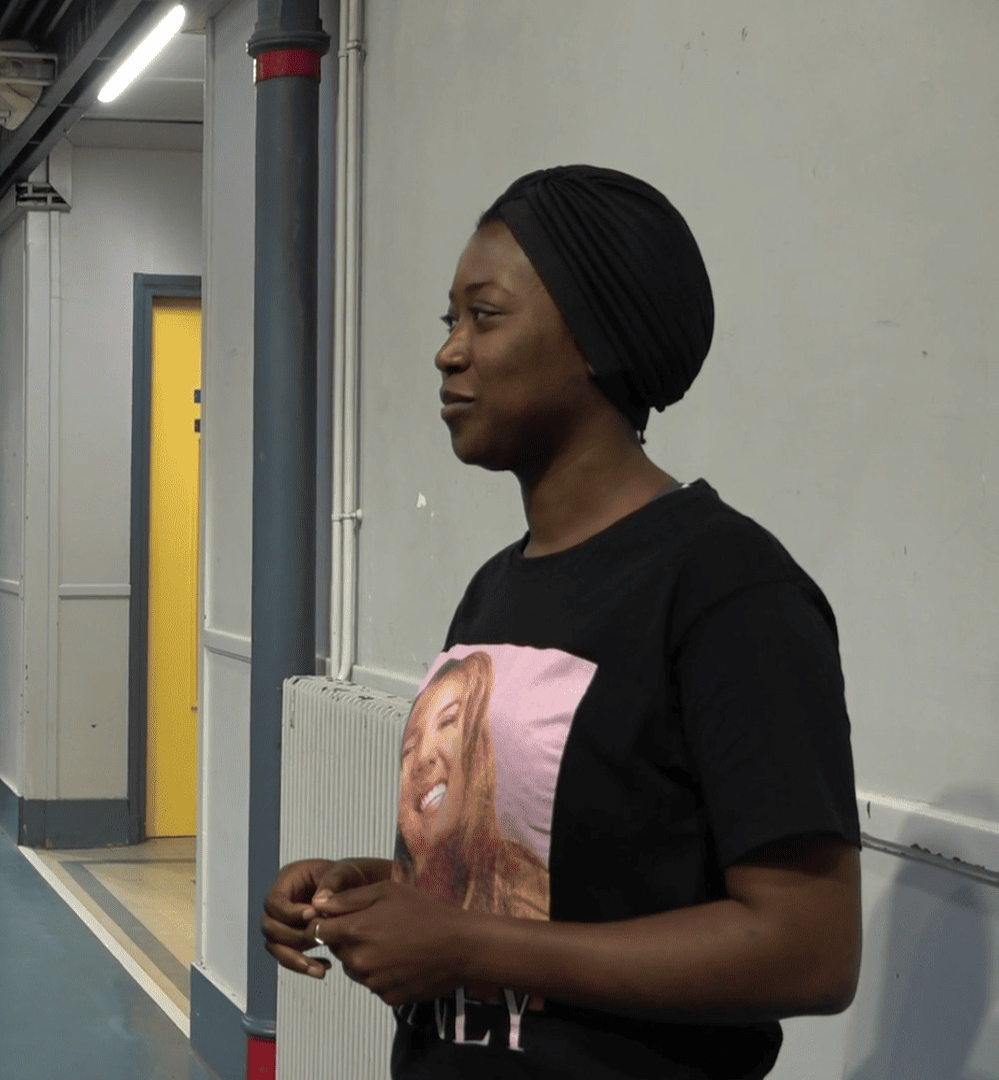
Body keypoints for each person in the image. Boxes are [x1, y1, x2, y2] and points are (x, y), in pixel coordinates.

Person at [263, 165, 861, 1078]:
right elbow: (555, 880)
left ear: (595, 336)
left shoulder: (730, 590)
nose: (449, 352)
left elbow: (810, 949)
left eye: (484, 316)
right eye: (449, 321)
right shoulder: (495, 591)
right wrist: (373, 890)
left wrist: (466, 947)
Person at [393, 651, 548, 920]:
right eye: (408, 748)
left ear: (478, 751)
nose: (423, 757)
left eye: (447, 721)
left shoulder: (520, 885)